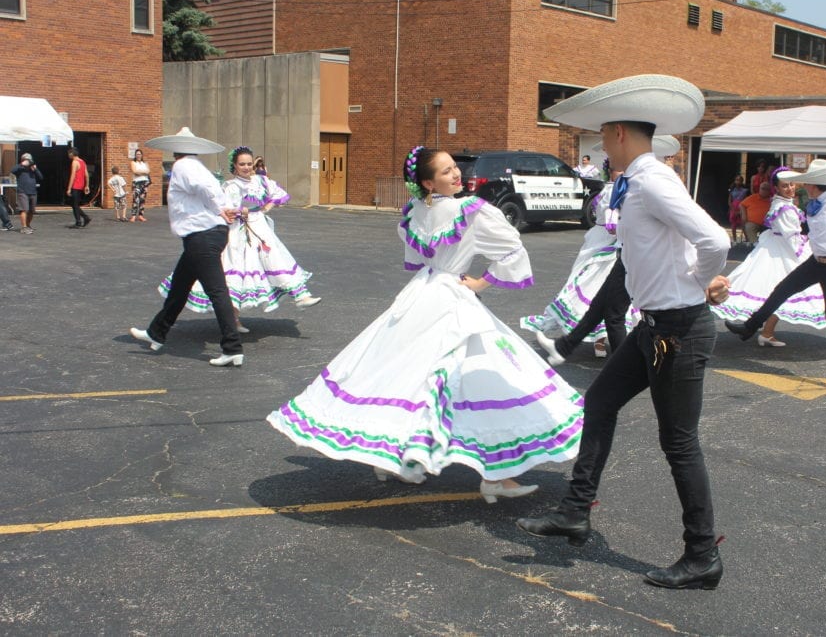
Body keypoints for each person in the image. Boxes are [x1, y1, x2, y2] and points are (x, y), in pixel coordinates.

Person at [266, 145, 584, 502]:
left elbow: (419, 257)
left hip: (422, 294)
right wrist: (480, 283)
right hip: (450, 298)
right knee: (488, 377)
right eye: (446, 171)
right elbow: (511, 248)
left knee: (403, 374)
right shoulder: (469, 209)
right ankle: (493, 474)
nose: (456, 173)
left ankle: (400, 459)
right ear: (429, 183)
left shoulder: (415, 211)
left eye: (454, 167)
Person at [516, 74, 732, 590]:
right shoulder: (636, 181)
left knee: (679, 443)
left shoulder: (652, 180)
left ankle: (702, 555)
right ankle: (575, 511)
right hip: (655, 326)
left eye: (601, 137)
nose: (600, 146)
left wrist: (701, 281)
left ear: (617, 133)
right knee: (600, 401)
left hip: (679, 329)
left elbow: (715, 239)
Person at [724, 160, 826, 391]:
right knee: (783, 289)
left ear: (815, 184)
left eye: (807, 181)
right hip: (817, 261)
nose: (802, 185)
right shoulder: (815, 203)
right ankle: (749, 327)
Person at [158, 146, 321, 325]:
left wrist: (264, 208)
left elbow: (277, 194)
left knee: (275, 258)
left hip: (260, 227)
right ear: (234, 166)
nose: (246, 167)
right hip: (238, 231)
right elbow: (226, 208)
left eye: (249, 164)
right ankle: (234, 319)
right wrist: (240, 212)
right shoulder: (231, 186)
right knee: (236, 272)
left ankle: (301, 295)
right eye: (242, 164)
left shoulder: (261, 180)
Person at [128, 127, 244, 367]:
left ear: (177, 150)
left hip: (202, 235)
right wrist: (222, 208)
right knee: (180, 287)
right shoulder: (196, 166)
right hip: (204, 235)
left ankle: (232, 348)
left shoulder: (184, 166)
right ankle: (156, 332)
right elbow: (209, 190)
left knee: (217, 291)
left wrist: (220, 208)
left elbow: (206, 189)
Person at [526, 163, 631, 362]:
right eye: (616, 168)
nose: (620, 171)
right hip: (612, 246)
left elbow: (614, 224)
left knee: (610, 309)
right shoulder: (616, 188)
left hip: (620, 249)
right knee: (600, 304)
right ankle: (566, 346)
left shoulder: (626, 187)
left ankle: (623, 362)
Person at [10, 153, 41, 234]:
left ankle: (28, 225)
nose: (28, 162)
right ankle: (24, 227)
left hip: (33, 192)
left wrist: (35, 170)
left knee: (31, 211)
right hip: (23, 192)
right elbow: (12, 170)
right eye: (27, 160)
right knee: (24, 209)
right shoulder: (19, 168)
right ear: (23, 160)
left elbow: (41, 177)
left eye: (29, 160)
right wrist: (22, 164)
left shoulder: (32, 169)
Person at [740, 178, 772, 243]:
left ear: (770, 191)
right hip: (752, 223)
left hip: (767, 225)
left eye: (767, 189)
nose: (764, 191)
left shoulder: (772, 200)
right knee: (749, 227)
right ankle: (754, 244)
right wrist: (744, 215)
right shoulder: (753, 197)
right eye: (763, 188)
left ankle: (764, 245)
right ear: (759, 189)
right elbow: (742, 204)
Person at [66, 147, 91, 228]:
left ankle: (79, 221)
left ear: (71, 154)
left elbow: (73, 175)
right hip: (81, 186)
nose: (68, 155)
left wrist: (69, 188)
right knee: (74, 204)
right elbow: (86, 175)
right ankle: (83, 219)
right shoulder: (82, 162)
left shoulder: (75, 162)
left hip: (75, 186)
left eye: (68, 153)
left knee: (75, 205)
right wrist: (87, 185)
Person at [129, 148, 152, 222]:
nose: (138, 155)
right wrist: (144, 172)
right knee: (135, 199)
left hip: (145, 182)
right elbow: (135, 171)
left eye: (139, 154)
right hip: (136, 182)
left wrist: (140, 172)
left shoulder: (145, 163)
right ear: (135, 155)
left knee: (142, 200)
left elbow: (148, 171)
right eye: (137, 154)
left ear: (142, 155)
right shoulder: (133, 162)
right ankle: (133, 216)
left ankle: (140, 216)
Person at [727, 175, 748, 243]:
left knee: (743, 224)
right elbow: (729, 201)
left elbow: (746, 201)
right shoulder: (732, 190)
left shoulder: (745, 191)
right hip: (733, 208)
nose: (738, 182)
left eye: (739, 180)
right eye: (736, 180)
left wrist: (741, 211)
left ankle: (747, 239)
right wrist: (733, 209)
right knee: (733, 224)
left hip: (741, 208)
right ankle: (734, 240)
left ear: (742, 182)